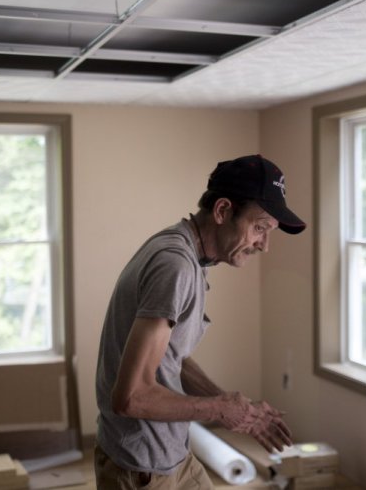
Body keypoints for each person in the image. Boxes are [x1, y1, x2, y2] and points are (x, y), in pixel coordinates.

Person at [94, 154, 306, 489]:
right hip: (143, 468)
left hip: (174, 453)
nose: (264, 245)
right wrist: (220, 409)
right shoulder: (174, 265)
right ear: (223, 211)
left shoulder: (189, 253)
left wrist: (238, 411)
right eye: (260, 227)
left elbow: (168, 357)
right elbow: (131, 397)